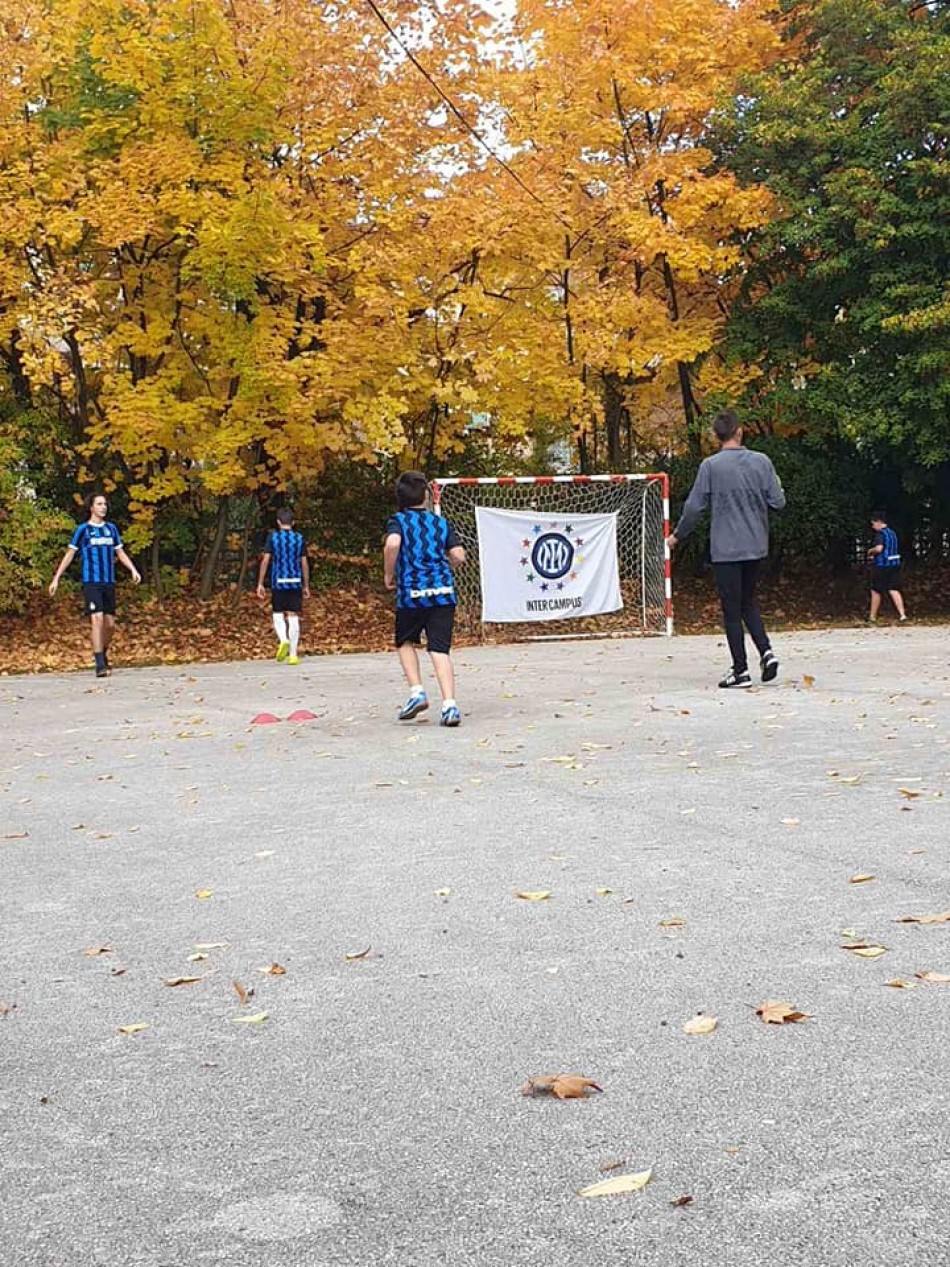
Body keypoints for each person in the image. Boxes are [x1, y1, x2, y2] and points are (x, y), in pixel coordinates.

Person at [667, 410, 786, 688]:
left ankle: (741, 670)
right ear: (740, 431)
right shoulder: (762, 462)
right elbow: (778, 501)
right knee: (748, 602)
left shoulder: (710, 467)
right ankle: (766, 652)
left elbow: (694, 507)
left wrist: (677, 536)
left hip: (726, 550)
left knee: (732, 610)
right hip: (756, 547)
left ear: (715, 436)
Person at [383, 471, 466, 726]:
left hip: (413, 593)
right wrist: (444, 568)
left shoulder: (398, 521)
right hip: (443, 593)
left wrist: (389, 573)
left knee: (405, 641)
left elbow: (393, 544)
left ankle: (417, 692)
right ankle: (450, 706)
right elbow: (459, 556)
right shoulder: (439, 522)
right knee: (440, 649)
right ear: (425, 496)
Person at [48, 493, 142, 677]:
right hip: (91, 582)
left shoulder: (111, 529)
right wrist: (56, 578)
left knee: (110, 624)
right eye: (99, 504)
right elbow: (69, 555)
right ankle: (99, 663)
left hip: (109, 582)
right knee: (97, 619)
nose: (103, 507)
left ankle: (103, 651)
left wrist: (133, 569)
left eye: (105, 504)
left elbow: (120, 552)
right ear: (91, 508)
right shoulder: (83, 530)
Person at [257, 508, 310, 663]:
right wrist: (306, 585)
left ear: (278, 522)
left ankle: (283, 639)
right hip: (295, 580)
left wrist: (260, 582)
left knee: (278, 612)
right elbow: (304, 562)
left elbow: (266, 560)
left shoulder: (273, 538)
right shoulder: (299, 538)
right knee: (293, 615)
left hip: (278, 580)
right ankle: (293, 655)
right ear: (293, 522)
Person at [867, 511, 907, 623]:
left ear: (879, 522)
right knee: (894, 589)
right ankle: (902, 614)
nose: (873, 526)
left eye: (873, 523)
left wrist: (870, 551)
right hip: (895, 564)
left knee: (876, 590)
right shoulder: (893, 533)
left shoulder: (880, 534)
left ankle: (872, 616)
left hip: (882, 565)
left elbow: (879, 548)